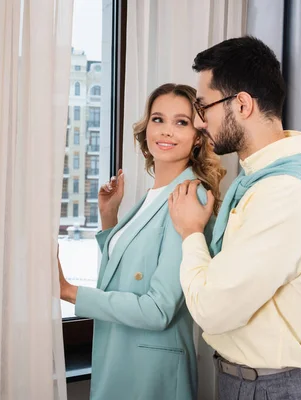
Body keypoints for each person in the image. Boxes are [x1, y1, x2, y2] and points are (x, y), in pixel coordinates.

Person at [167, 36, 301, 399]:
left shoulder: (285, 193)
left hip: (273, 389)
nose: (200, 123)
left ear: (242, 104)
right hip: (254, 383)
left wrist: (191, 233)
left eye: (204, 108)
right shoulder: (265, 180)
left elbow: (213, 308)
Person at [58, 83, 225, 400]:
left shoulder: (190, 195)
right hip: (119, 358)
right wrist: (110, 218)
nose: (166, 131)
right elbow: (126, 275)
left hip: (152, 374)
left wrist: (68, 291)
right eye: (158, 119)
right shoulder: (153, 196)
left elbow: (158, 309)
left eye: (181, 122)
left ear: (198, 138)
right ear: (146, 129)